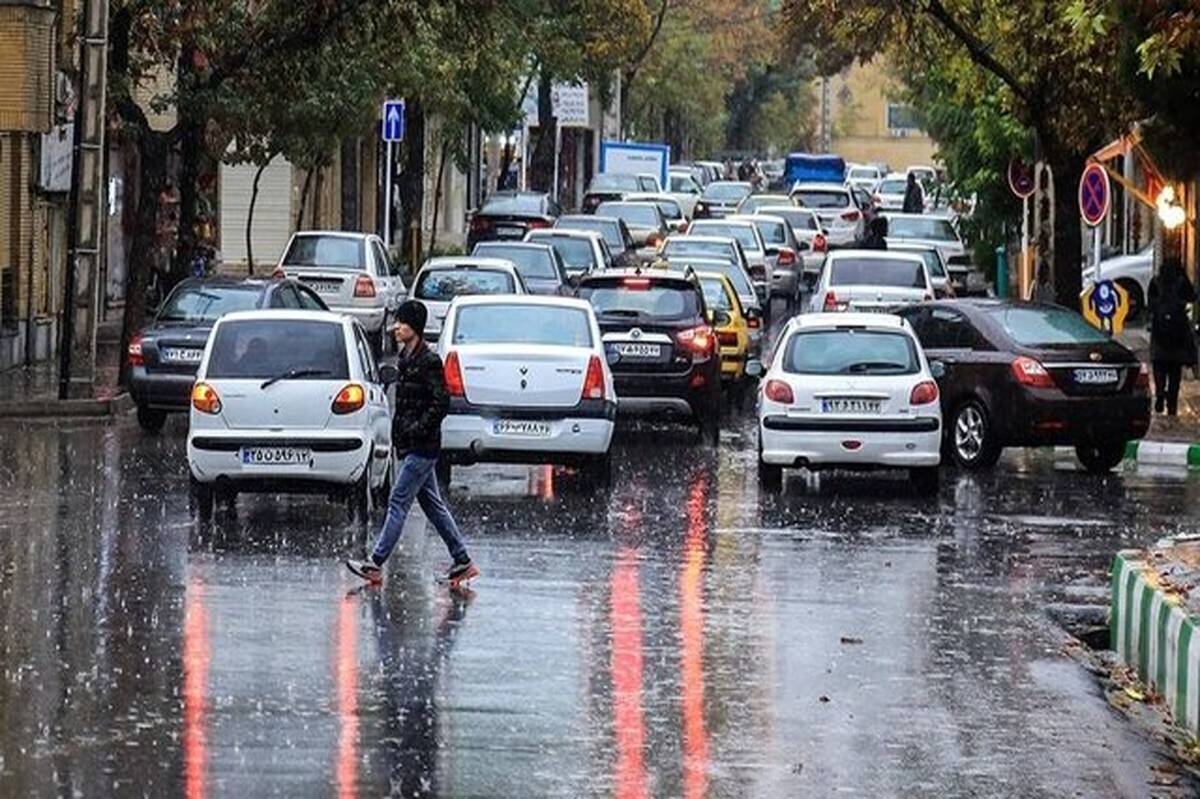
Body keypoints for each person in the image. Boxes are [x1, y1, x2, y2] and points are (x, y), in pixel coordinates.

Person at [346, 300, 479, 585]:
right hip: (412, 444)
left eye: (402, 323)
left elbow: (440, 402)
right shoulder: (407, 358)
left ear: (415, 328)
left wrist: (418, 429)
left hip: (422, 447)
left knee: (397, 502)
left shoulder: (429, 361)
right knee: (432, 505)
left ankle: (376, 562)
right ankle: (462, 559)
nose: (396, 328)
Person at [1147, 258, 1197, 415]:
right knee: (1175, 370)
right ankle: (1172, 402)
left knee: (1159, 366)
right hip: (1178, 335)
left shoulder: (1156, 282)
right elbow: (1192, 297)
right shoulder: (1181, 282)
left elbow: (1150, 304)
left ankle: (1160, 393)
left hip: (1159, 333)